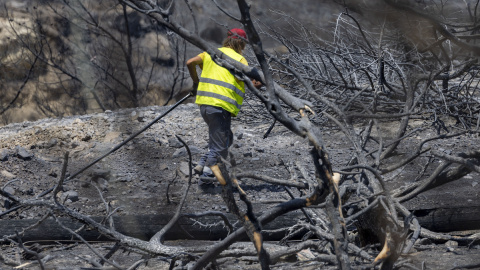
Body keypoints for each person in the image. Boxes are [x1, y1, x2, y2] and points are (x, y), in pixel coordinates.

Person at [186, 28, 258, 184]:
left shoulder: (210, 53)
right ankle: (207, 176)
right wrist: (258, 84)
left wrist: (196, 83)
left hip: (205, 106)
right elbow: (252, 83)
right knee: (221, 144)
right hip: (221, 107)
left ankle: (201, 164)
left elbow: (190, 62)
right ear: (241, 43)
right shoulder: (240, 60)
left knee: (225, 139)